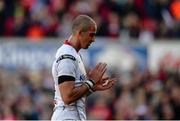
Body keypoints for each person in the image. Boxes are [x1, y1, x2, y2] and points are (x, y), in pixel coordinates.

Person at [51, 15, 116, 120]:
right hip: (67, 117)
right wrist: (90, 82)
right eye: (91, 35)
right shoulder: (67, 56)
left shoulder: (75, 55)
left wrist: (92, 87)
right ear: (80, 33)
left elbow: (75, 96)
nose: (93, 39)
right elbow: (67, 97)